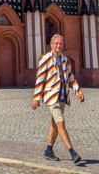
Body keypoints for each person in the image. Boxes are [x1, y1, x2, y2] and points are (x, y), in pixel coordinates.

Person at [30, 34, 85, 164]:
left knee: (55, 124)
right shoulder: (45, 59)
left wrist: (78, 92)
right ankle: (72, 152)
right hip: (51, 96)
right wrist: (36, 97)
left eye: (60, 44)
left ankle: (48, 150)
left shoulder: (65, 60)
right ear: (51, 44)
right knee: (60, 122)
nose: (58, 46)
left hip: (62, 96)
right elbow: (40, 78)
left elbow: (71, 77)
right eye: (56, 43)